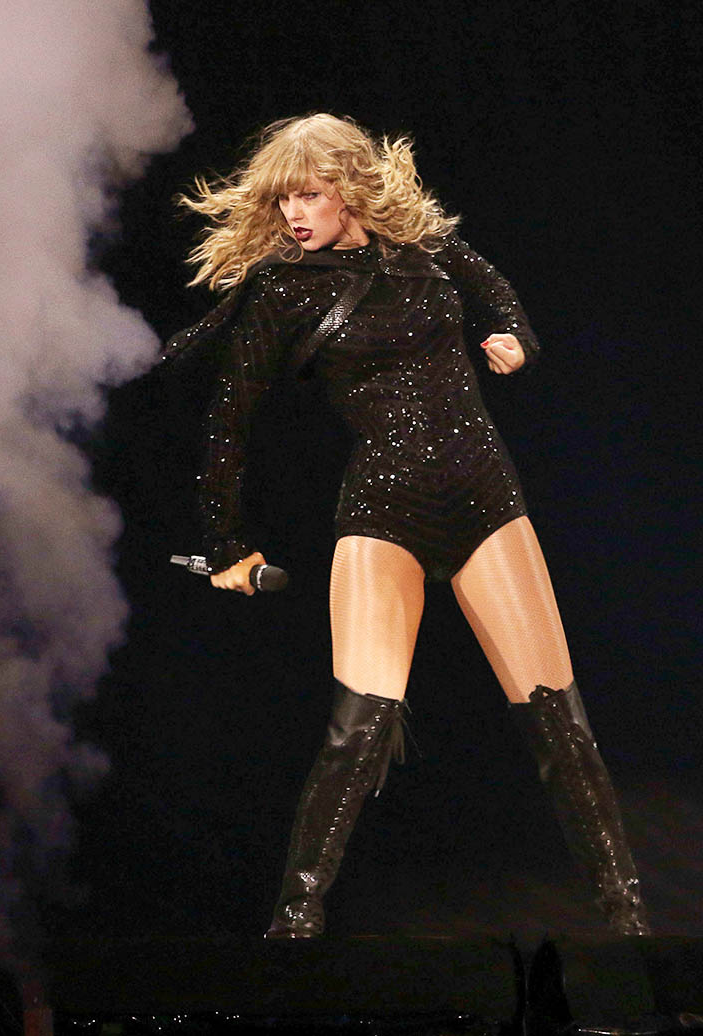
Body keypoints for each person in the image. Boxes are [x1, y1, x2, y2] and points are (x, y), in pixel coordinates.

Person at [164, 113, 649, 938]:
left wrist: (515, 343)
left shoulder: (424, 252)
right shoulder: (283, 288)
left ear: (349, 188)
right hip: (383, 508)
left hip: (484, 498)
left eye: (309, 196)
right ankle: (293, 928)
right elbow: (227, 426)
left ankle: (634, 927)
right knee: (359, 727)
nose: (293, 215)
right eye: (284, 200)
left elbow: (500, 295)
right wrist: (223, 544)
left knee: (560, 721)